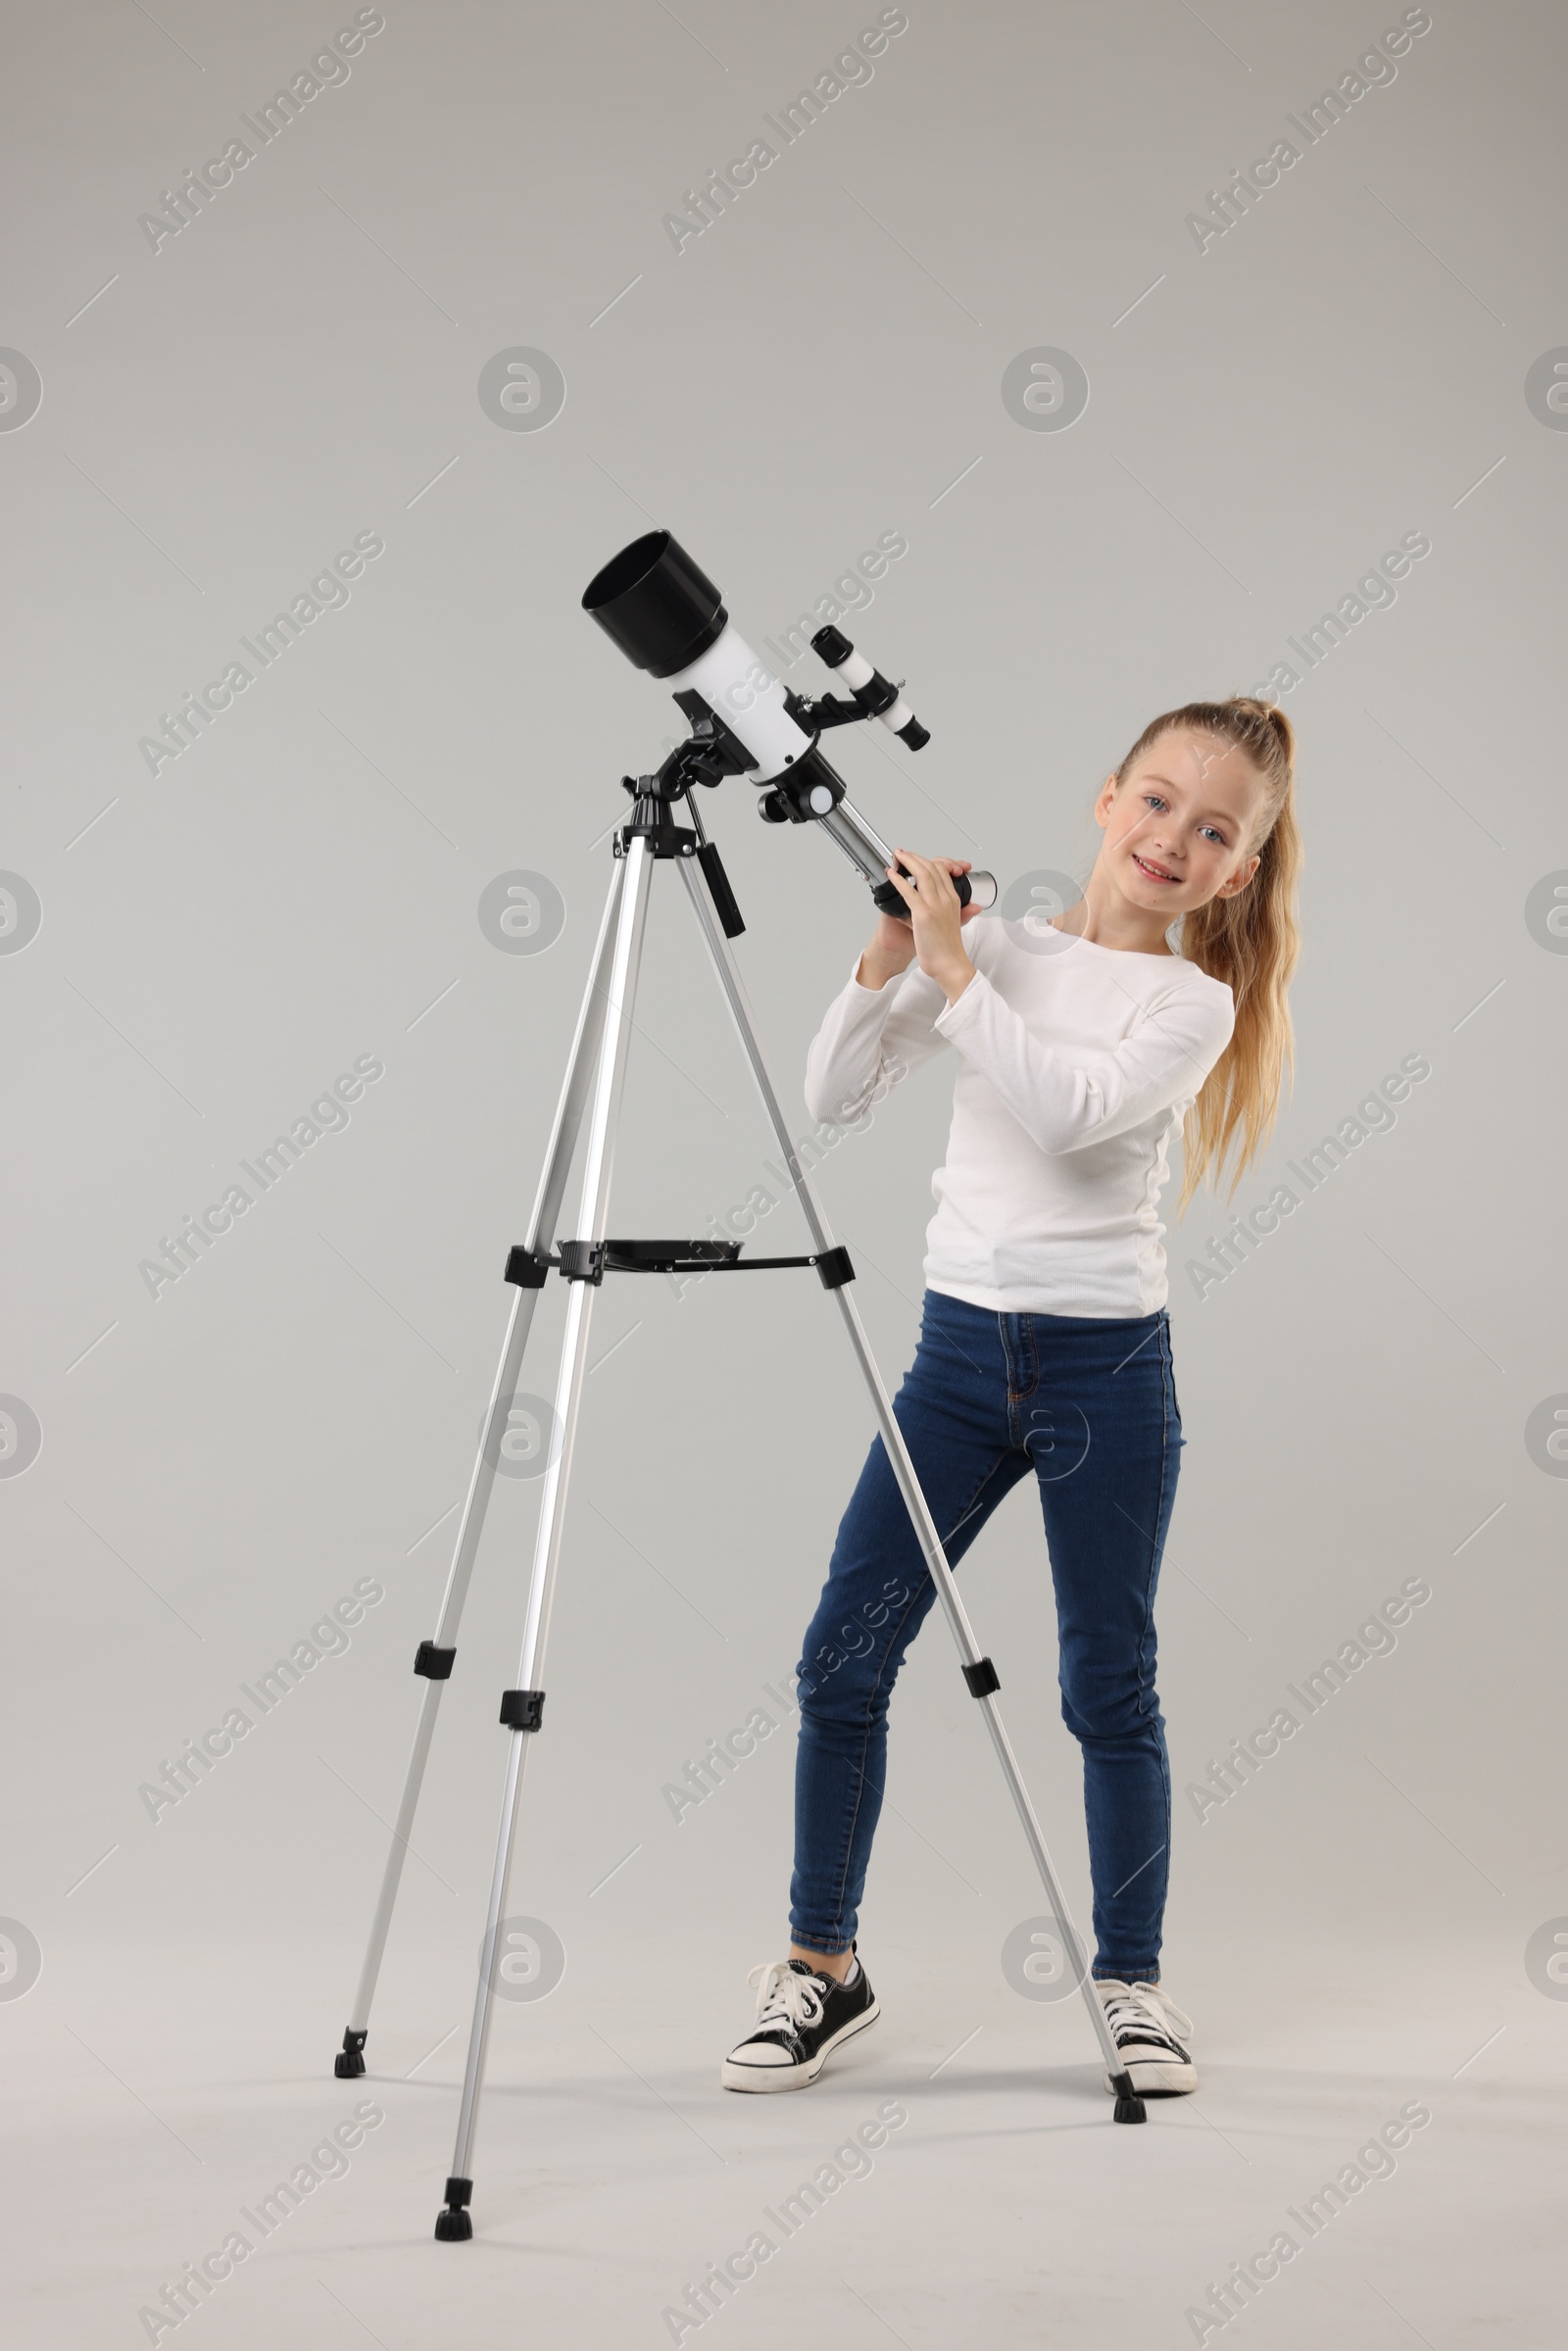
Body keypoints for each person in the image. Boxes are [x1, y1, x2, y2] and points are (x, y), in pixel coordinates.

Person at [721, 697, 1301, 2100]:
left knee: (1109, 1684)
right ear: (1106, 803)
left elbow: (1065, 1110)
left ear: (1235, 875)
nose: (1176, 837)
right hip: (959, 1367)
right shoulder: (998, 950)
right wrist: (890, 955)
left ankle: (1133, 1983)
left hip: (1107, 1373)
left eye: (1214, 831)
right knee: (843, 1656)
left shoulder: (1189, 1000)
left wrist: (952, 970)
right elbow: (833, 1091)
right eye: (1158, 801)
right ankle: (824, 1968)